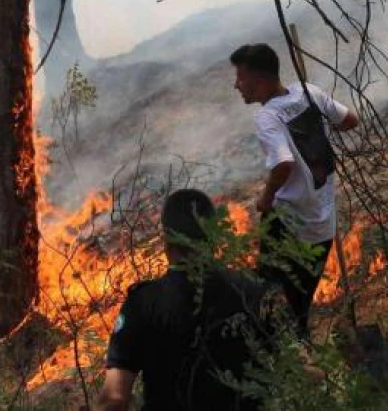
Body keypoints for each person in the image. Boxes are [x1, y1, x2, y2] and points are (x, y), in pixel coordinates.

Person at [95, 189, 286, 411]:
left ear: (166, 241)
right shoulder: (257, 292)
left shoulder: (142, 304)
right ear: (215, 237)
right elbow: (308, 371)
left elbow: (114, 399)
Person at [230, 42, 358, 336]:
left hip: (288, 224)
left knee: (268, 303)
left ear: (259, 79)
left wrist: (266, 197)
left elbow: (283, 164)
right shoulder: (309, 92)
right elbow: (350, 120)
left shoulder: (267, 117)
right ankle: (301, 357)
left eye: (241, 78)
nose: (236, 85)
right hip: (323, 223)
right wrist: (320, 131)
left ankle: (283, 364)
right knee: (299, 305)